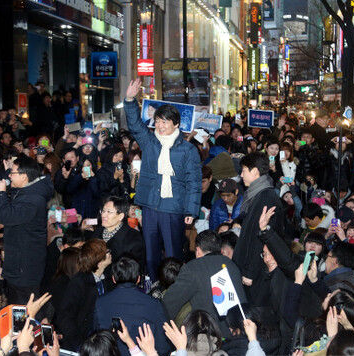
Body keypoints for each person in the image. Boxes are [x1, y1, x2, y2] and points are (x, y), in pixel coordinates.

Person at [124, 79, 202, 280]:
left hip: (173, 208)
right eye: (157, 121)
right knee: (151, 254)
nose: (159, 125)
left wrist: (191, 211)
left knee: (173, 253)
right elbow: (134, 124)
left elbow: (194, 182)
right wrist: (130, 99)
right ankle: (153, 287)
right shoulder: (150, 142)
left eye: (164, 122)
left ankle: (174, 288)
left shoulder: (187, 149)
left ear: (176, 124)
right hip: (150, 206)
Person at [0, 156, 54, 304]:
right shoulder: (27, 191)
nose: (9, 176)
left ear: (24, 176)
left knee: (23, 310)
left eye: (12, 173)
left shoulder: (33, 200)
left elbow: (7, 217)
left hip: (24, 270)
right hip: (19, 264)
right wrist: (8, 170)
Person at [162, 230, 246, 337]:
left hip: (210, 336)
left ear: (197, 250)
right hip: (239, 332)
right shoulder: (232, 265)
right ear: (220, 250)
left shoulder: (193, 268)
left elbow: (170, 302)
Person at [232, 152, 285, 308]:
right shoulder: (259, 194)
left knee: (255, 312)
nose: (241, 175)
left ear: (255, 171)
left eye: (244, 170)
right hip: (253, 269)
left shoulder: (266, 198)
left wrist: (249, 272)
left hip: (257, 272)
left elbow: (260, 239)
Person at [93, 257, 169, 356]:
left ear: (114, 279)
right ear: (138, 279)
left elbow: (94, 338)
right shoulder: (153, 303)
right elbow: (163, 346)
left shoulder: (100, 302)